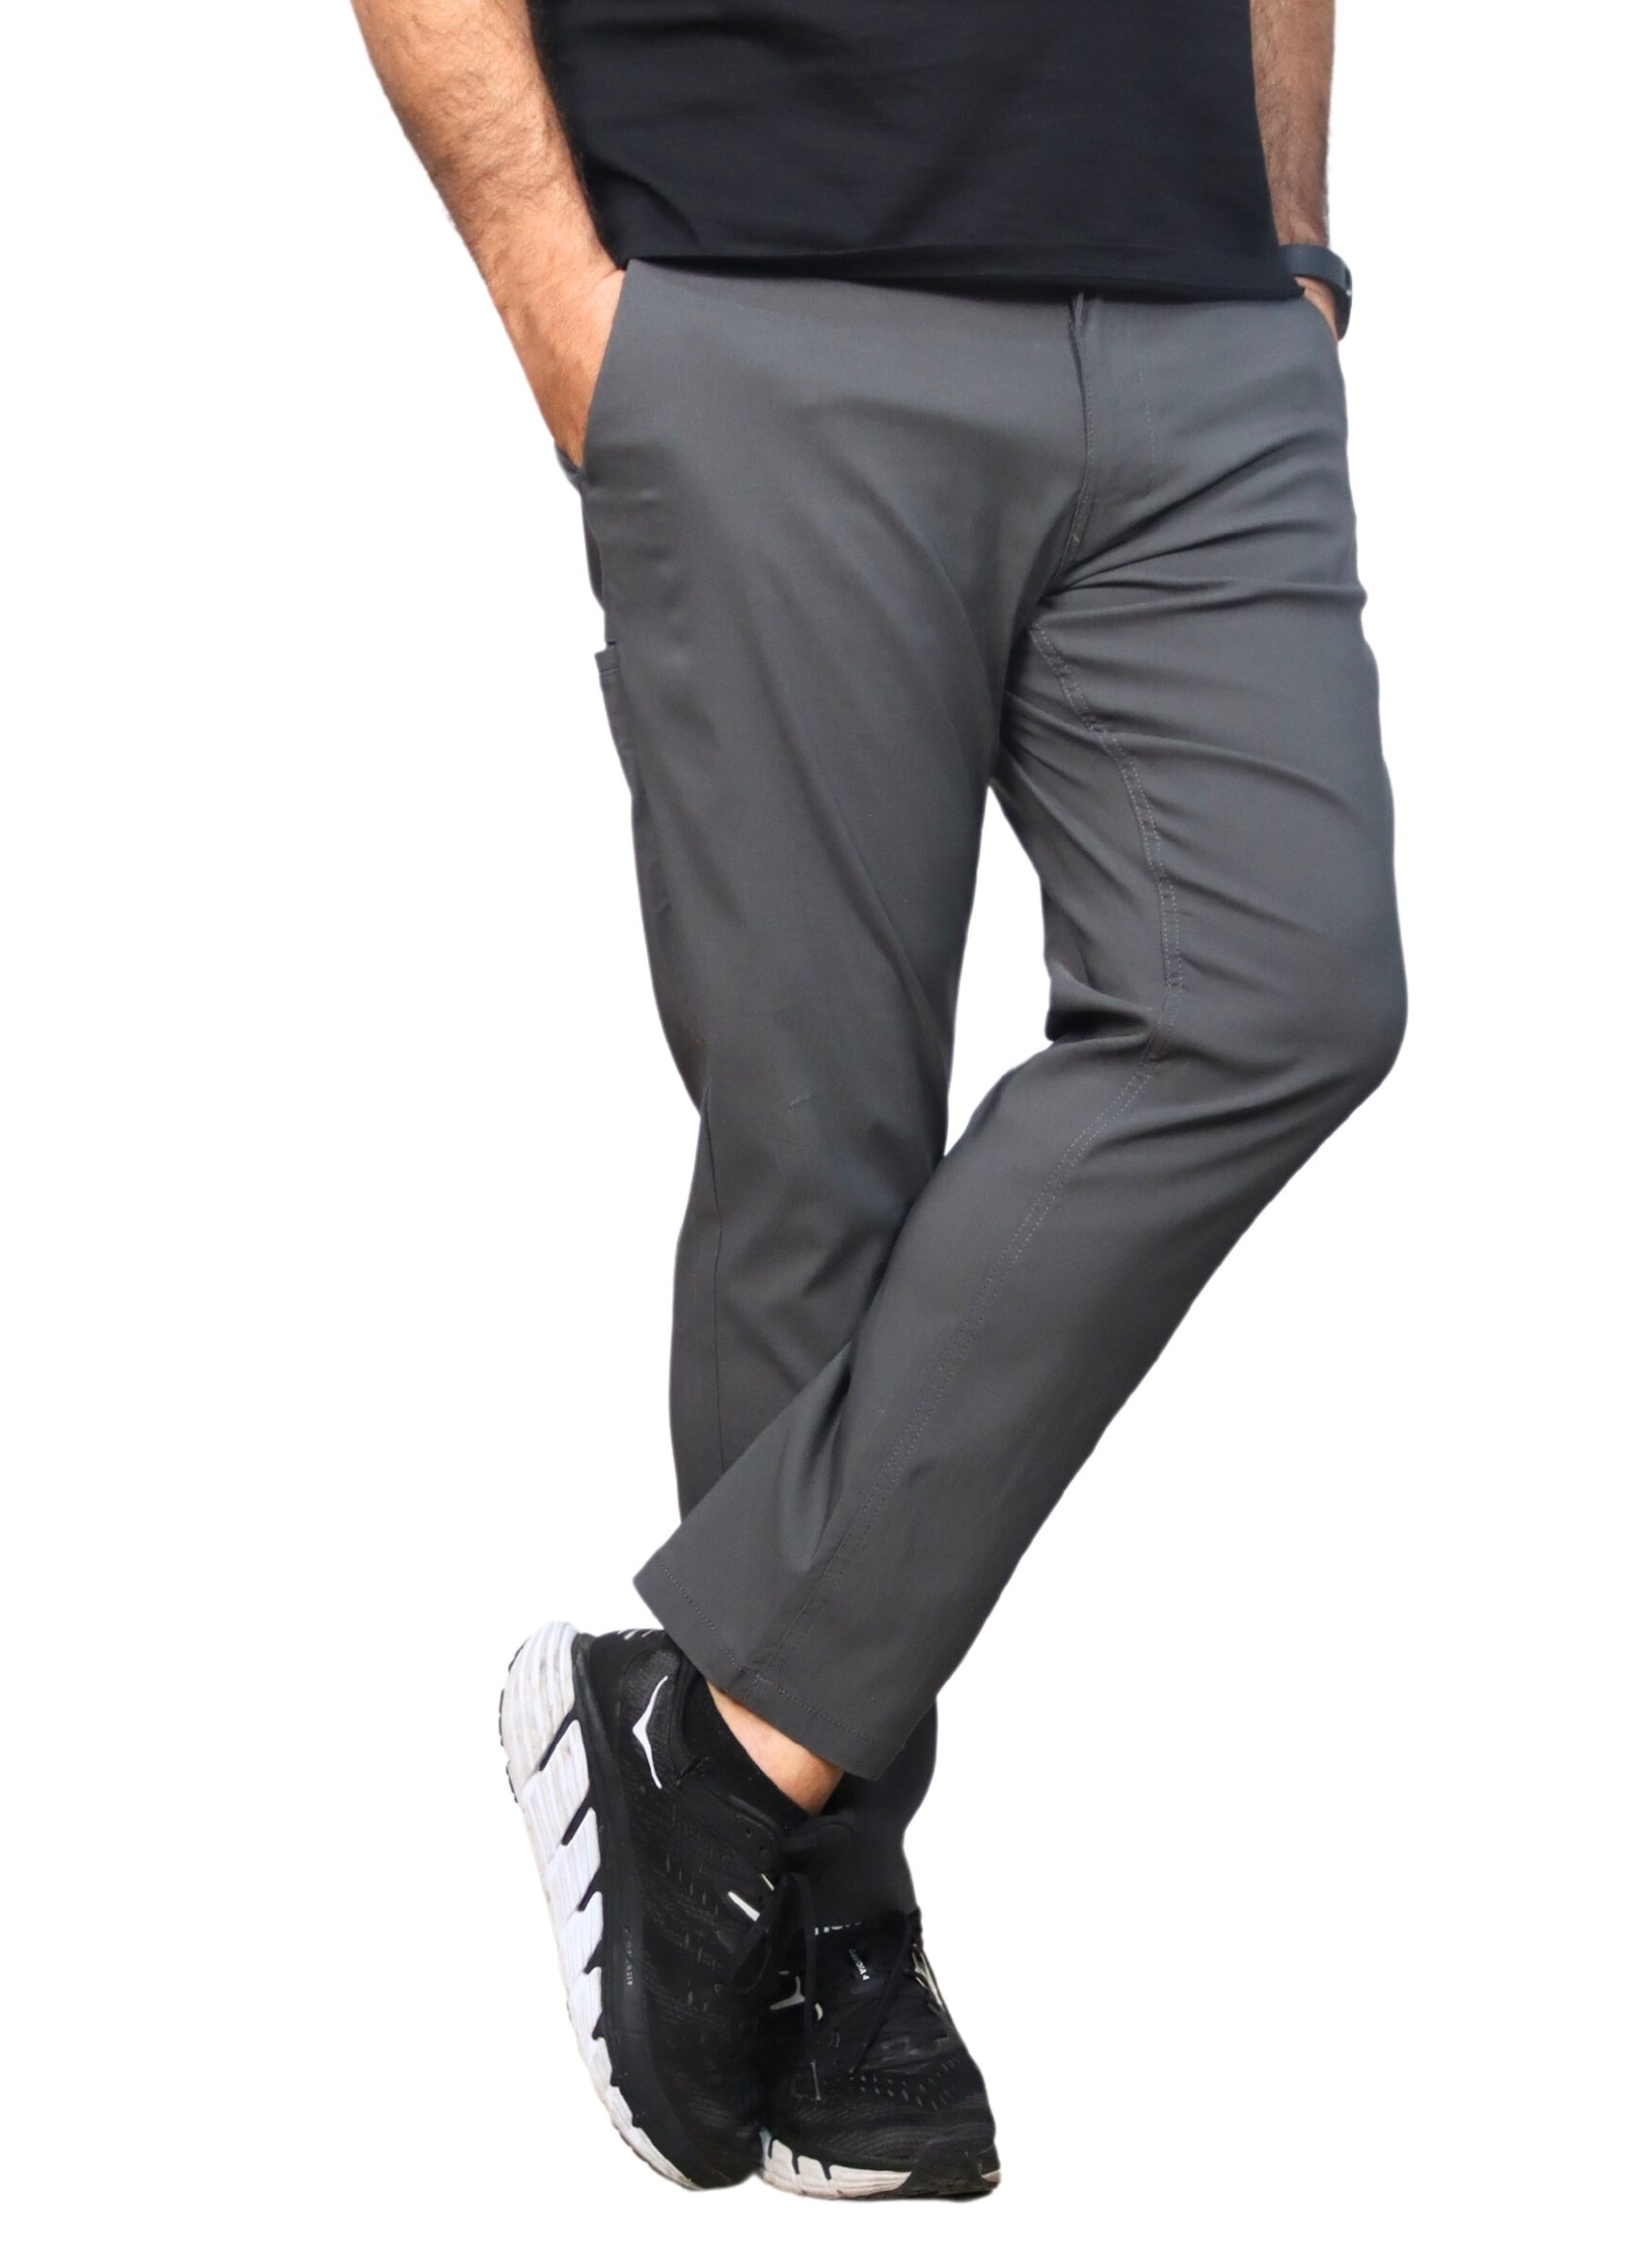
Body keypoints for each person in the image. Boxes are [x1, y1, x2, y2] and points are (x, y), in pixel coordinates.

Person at [352, 0, 1405, 2202]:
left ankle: (710, 1746)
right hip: (761, 289)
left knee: (1276, 991)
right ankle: (822, 1932)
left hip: (1194, 312)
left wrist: (1289, 241)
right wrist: (560, 298)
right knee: (819, 1136)